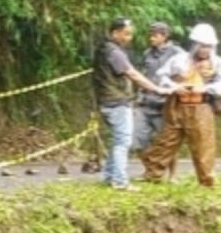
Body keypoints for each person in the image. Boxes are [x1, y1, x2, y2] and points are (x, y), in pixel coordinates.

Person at [92, 17, 167, 190]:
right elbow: (131, 73)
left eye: (130, 34)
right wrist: (155, 88)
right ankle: (120, 181)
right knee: (123, 141)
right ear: (115, 33)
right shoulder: (113, 52)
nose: (129, 37)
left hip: (107, 100)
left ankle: (110, 177)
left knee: (118, 139)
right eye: (126, 34)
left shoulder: (104, 49)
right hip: (116, 101)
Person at [142, 23, 221, 187]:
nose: (204, 49)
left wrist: (206, 88)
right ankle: (152, 174)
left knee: (203, 146)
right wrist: (175, 87)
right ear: (195, 45)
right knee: (167, 141)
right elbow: (161, 75)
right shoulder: (180, 59)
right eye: (202, 45)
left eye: (208, 46)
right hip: (177, 105)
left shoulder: (217, 64)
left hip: (201, 106)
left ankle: (206, 181)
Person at [133, 21, 182, 153]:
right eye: (150, 35)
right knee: (138, 140)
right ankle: (150, 169)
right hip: (146, 102)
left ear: (164, 36)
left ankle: (170, 173)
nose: (151, 38)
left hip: (166, 104)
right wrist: (138, 97)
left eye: (155, 35)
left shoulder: (177, 53)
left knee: (167, 141)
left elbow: (186, 73)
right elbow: (142, 76)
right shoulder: (147, 54)